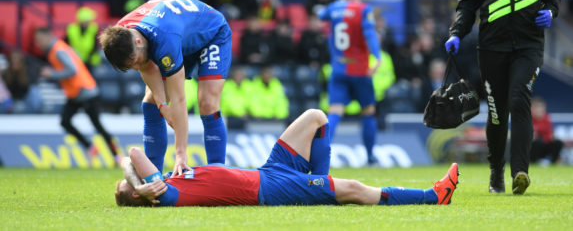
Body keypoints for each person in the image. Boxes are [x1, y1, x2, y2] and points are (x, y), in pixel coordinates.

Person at [444, 0, 563, 195]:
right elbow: (467, 4)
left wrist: (550, 11)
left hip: (528, 46)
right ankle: (496, 171)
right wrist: (457, 32)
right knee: (497, 114)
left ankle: (520, 171)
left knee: (519, 98)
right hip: (492, 48)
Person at [114, 109, 459, 207]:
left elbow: (128, 163)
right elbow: (133, 154)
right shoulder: (165, 193)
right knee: (354, 188)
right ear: (140, 191)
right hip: (268, 190)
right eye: (128, 185)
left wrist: (133, 181)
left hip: (268, 172)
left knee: (315, 117)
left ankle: (322, 188)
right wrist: (141, 186)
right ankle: (432, 196)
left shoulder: (163, 183)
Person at [99, 0, 232, 176]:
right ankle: (154, 175)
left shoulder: (163, 38)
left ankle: (218, 173)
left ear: (138, 42)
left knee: (207, 103)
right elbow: (146, 67)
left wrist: (180, 154)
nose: (136, 68)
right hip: (180, 34)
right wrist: (162, 105)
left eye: (134, 61)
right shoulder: (123, 33)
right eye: (131, 67)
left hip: (211, 33)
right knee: (151, 103)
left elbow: (178, 98)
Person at [318, 0, 381, 165]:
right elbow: (369, 33)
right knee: (368, 111)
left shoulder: (333, 8)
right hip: (359, 68)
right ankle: (370, 157)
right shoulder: (363, 9)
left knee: (335, 111)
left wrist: (340, 0)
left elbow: (321, 15)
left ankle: (321, 157)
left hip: (338, 68)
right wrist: (376, 57)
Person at [34, 27, 120, 163]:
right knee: (65, 121)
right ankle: (91, 147)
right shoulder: (57, 49)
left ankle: (116, 155)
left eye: (39, 40)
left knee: (96, 125)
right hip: (75, 93)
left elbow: (72, 70)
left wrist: (52, 74)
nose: (37, 43)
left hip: (85, 91)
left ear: (48, 37)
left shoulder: (58, 50)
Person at [65, 7, 101, 71]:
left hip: (91, 61)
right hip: (75, 60)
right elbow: (66, 45)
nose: (90, 21)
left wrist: (88, 59)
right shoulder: (71, 29)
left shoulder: (93, 28)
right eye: (88, 20)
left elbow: (95, 47)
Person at [530, 96, 563, 164]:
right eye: (537, 107)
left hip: (544, 144)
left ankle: (554, 162)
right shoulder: (528, 119)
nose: (539, 110)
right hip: (533, 147)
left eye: (540, 108)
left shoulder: (546, 118)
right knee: (536, 142)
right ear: (532, 108)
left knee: (558, 143)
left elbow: (550, 135)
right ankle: (533, 162)